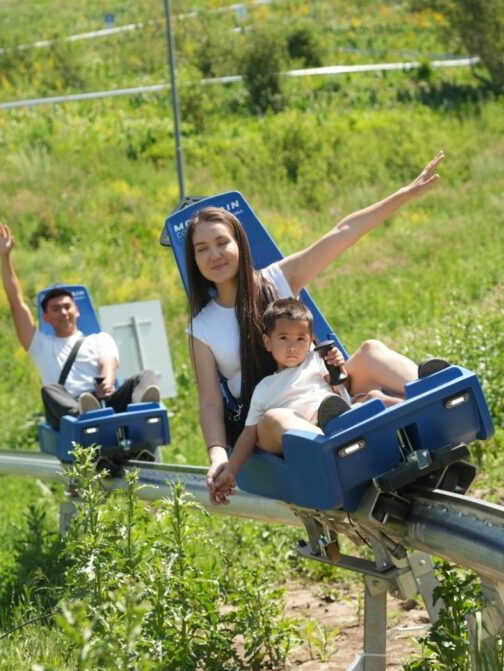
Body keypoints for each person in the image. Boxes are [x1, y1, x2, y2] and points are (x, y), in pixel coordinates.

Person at [184, 151, 447, 503]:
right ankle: (343, 447)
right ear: (194, 260)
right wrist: (219, 455)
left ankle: (432, 394)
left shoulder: (278, 279)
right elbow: (211, 403)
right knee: (277, 418)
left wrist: (403, 194)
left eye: (221, 243)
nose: (214, 255)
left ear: (239, 243)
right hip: (276, 419)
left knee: (369, 351)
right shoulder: (202, 327)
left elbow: (343, 232)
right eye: (202, 249)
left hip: (322, 392)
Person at [208, 297, 401, 504]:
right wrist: (232, 470)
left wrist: (336, 366)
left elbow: (339, 386)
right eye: (283, 338)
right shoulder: (265, 387)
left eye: (300, 339)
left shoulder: (315, 362)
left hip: (336, 414)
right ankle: (327, 440)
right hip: (305, 431)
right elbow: (249, 433)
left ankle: (414, 405)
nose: (292, 346)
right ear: (267, 342)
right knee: (278, 417)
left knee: (372, 397)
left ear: (310, 342)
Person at [0, 222, 160, 429]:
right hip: (69, 413)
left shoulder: (99, 339)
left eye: (66, 307)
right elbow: (16, 305)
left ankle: (141, 413)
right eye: (56, 309)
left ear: (77, 311)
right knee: (49, 390)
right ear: (46, 317)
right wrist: (5, 258)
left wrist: (107, 382)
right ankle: (83, 413)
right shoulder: (41, 345)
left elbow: (108, 362)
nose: (63, 312)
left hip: (101, 401)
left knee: (145, 376)